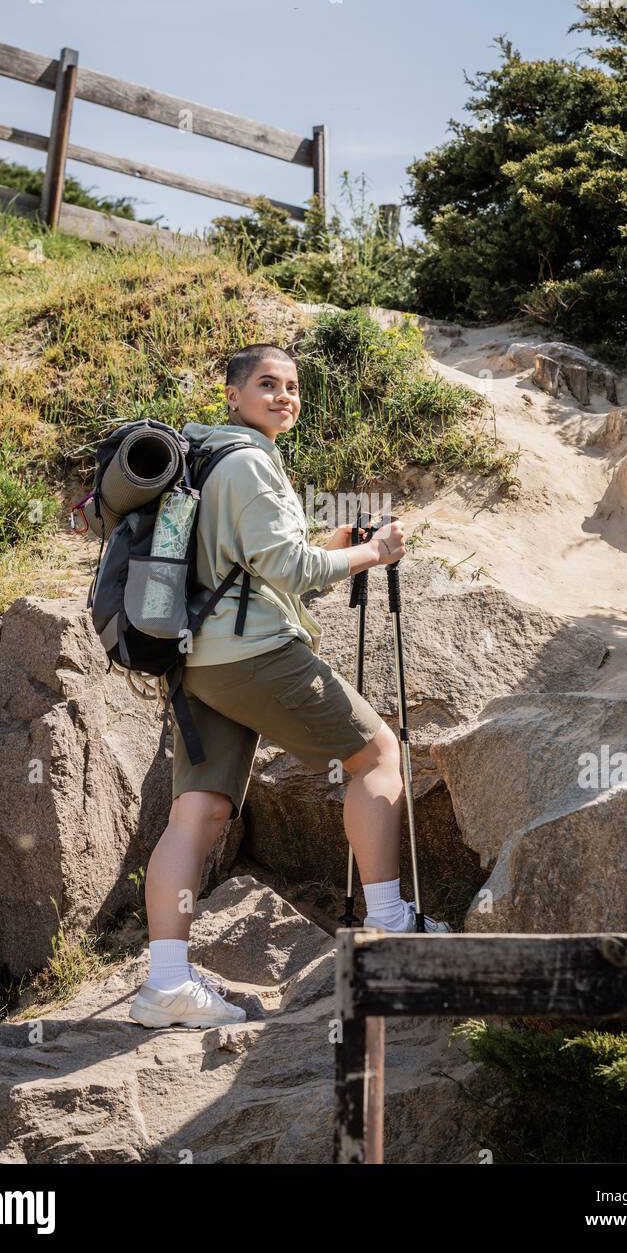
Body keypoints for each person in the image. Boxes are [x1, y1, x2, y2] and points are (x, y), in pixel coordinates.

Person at [129, 342, 449, 1032]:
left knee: (200, 814)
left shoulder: (211, 456)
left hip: (199, 661)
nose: (283, 396)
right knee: (377, 754)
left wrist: (330, 541)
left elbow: (256, 562)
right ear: (233, 394)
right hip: (254, 656)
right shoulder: (248, 462)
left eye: (293, 387)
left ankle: (165, 984)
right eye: (267, 384)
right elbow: (290, 570)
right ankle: (389, 921)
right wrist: (374, 551)